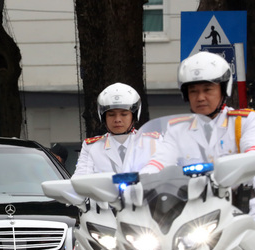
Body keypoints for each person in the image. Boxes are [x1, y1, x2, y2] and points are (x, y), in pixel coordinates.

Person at [141, 51, 255, 215]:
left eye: (208, 89)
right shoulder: (177, 129)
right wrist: (139, 181)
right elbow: (159, 161)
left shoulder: (244, 121)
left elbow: (252, 158)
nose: (200, 97)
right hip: (191, 211)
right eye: (193, 91)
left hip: (239, 210)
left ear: (223, 90)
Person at [73, 83, 161, 176]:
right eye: (111, 115)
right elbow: (80, 180)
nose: (117, 120)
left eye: (124, 114)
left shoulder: (153, 142)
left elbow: (166, 174)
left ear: (134, 116)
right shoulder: (91, 147)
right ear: (103, 117)